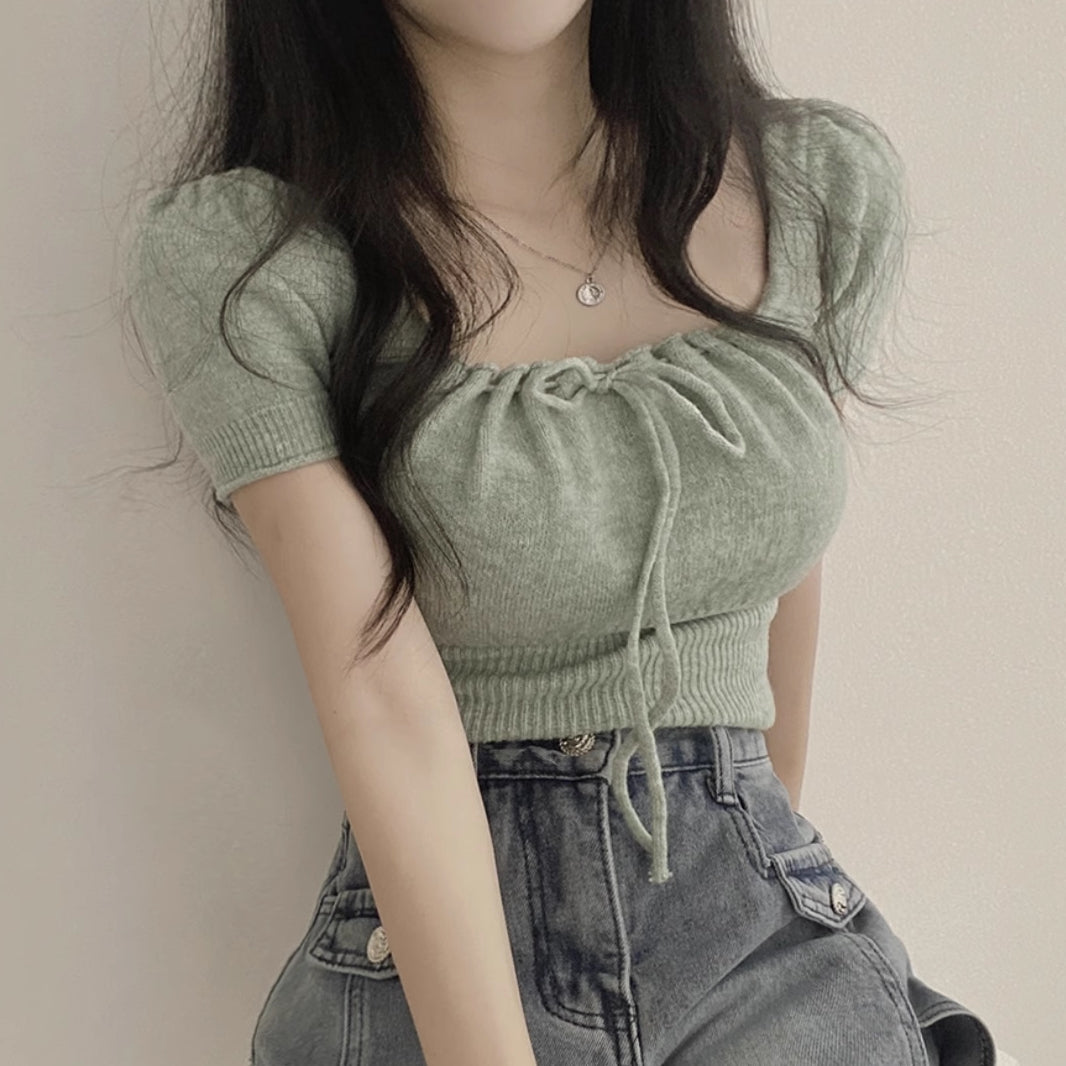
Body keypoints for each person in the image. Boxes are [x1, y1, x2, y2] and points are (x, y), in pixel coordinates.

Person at [124, 2, 1000, 1064]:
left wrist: (741, 869)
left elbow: (774, 592)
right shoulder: (253, 260)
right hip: (434, 968)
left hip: (764, 939)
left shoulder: (812, 191)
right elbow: (381, 698)